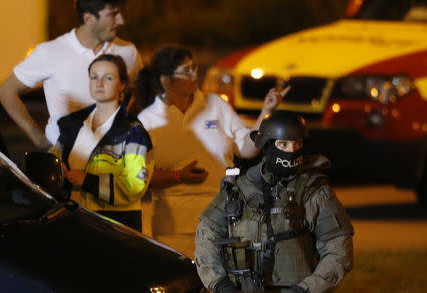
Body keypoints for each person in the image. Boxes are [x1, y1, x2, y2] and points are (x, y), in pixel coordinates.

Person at [136, 47, 283, 257]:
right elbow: (142, 177)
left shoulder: (215, 105)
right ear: (166, 81)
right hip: (173, 230)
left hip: (222, 220)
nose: (195, 75)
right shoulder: (147, 120)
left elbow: (247, 148)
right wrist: (178, 176)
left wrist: (266, 112)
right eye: (186, 71)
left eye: (194, 68)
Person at [194, 110, 354, 293]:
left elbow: (339, 251)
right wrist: (220, 284)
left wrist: (306, 289)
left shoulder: (314, 191)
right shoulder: (240, 188)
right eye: (283, 144)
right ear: (267, 145)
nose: (291, 151)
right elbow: (207, 236)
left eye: (297, 144)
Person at [0, 0, 142, 149]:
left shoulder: (127, 52)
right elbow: (7, 91)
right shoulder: (50, 52)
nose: (121, 21)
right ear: (88, 18)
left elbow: (138, 92)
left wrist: (128, 127)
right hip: (65, 163)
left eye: (121, 13)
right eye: (113, 14)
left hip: (111, 160)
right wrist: (40, 140)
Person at [50, 54, 153, 232]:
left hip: (117, 230)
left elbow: (134, 186)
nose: (99, 83)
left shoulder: (133, 132)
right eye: (94, 77)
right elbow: (51, 164)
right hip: (72, 222)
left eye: (108, 78)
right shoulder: (71, 125)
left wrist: (86, 180)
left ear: (122, 85)